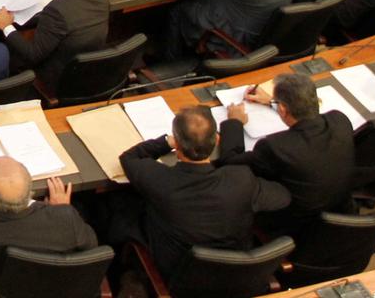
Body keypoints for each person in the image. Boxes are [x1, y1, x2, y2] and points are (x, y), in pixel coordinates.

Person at [116, 107, 291, 281]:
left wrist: (167, 142)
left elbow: (129, 158)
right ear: (216, 139)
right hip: (236, 276)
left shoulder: (160, 179)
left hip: (181, 279)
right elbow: (283, 198)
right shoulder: (241, 179)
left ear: (177, 144)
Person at [217, 72, 355, 239]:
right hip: (341, 212)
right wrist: (273, 103)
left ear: (282, 109)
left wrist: (235, 122)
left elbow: (230, 162)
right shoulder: (340, 121)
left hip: (296, 226)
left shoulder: (276, 147)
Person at [0, 0, 109, 95]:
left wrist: (7, 26)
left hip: (59, 78)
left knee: (9, 53)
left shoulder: (56, 11)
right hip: (89, 68)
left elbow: (33, 55)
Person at [0, 158, 97, 274]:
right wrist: (61, 209)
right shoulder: (65, 218)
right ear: (31, 186)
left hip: (7, 285)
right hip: (56, 285)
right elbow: (91, 247)